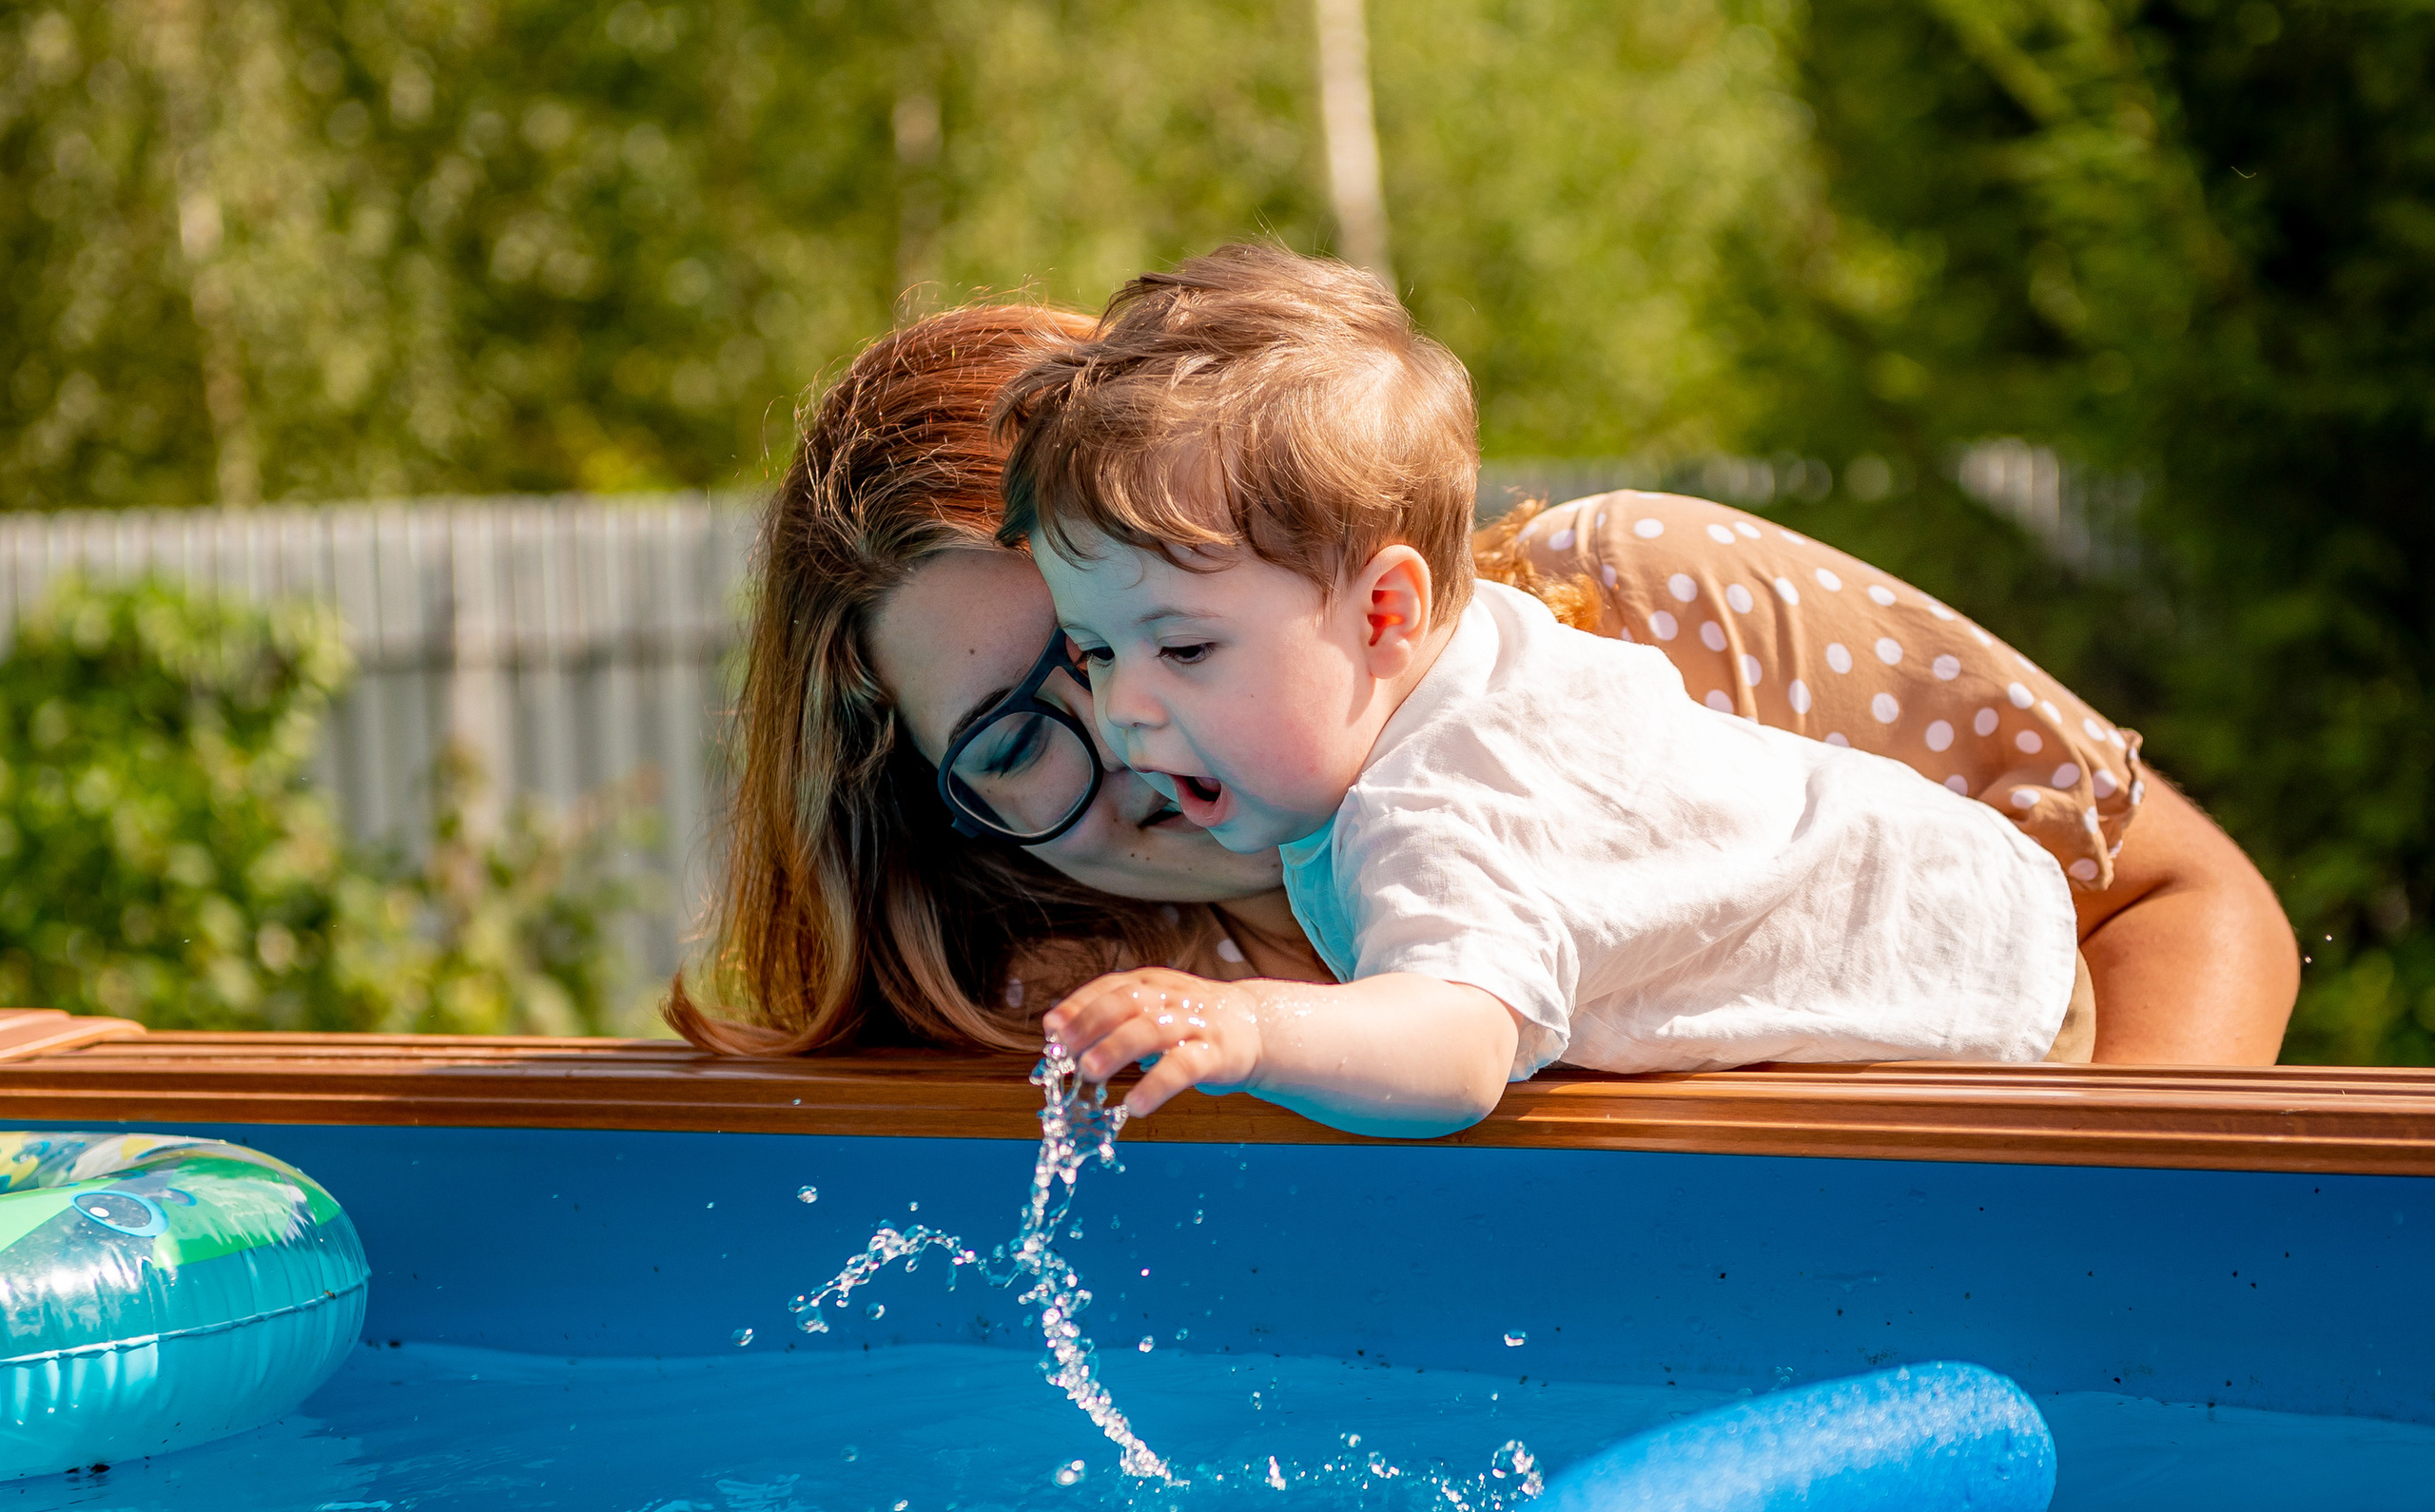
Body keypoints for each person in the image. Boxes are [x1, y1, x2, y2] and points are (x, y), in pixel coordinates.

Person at [669, 298, 2297, 1073]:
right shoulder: (1069, 1008)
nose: (1133, 726)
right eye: (1032, 721)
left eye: (1174, 637)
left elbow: (2182, 896)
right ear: (943, 809)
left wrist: (2100, 1244)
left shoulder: (1646, 612)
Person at [1001, 250, 2096, 1135]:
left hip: (1981, 1019)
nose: (1123, 711)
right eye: (1096, 654)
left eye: (1184, 651)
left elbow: (1453, 1055)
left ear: (1385, 613)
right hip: (1971, 919)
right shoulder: (1472, 657)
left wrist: (1248, 1029)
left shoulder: (1440, 800)